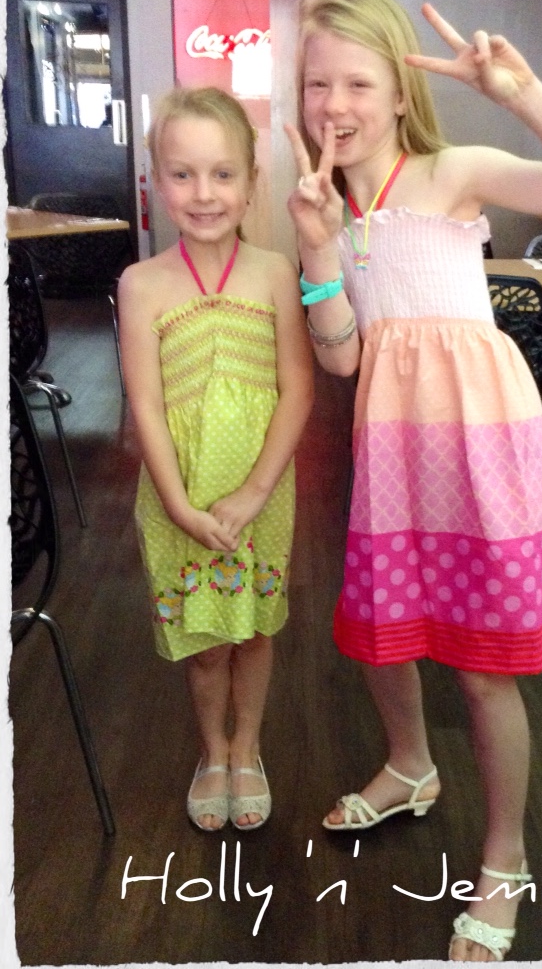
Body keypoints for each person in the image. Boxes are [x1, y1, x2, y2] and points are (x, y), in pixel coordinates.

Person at [285, 0, 542, 961]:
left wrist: (519, 93)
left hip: (481, 441)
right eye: (316, 83)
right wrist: (314, 247)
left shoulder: (451, 171)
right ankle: (409, 765)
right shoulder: (324, 203)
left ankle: (505, 855)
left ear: (400, 92)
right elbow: (341, 359)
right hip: (391, 445)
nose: (333, 103)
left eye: (358, 82)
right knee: (384, 638)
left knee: (483, 671)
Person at [120, 87, 313, 832]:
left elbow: (298, 389)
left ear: (251, 180)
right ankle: (213, 750)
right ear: (157, 181)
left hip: (261, 494)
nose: (204, 193)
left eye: (222, 174)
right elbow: (144, 405)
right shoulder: (140, 284)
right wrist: (178, 505)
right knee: (205, 646)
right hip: (182, 499)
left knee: (254, 630)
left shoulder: (275, 273)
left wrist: (257, 490)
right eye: (183, 174)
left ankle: (248, 748)